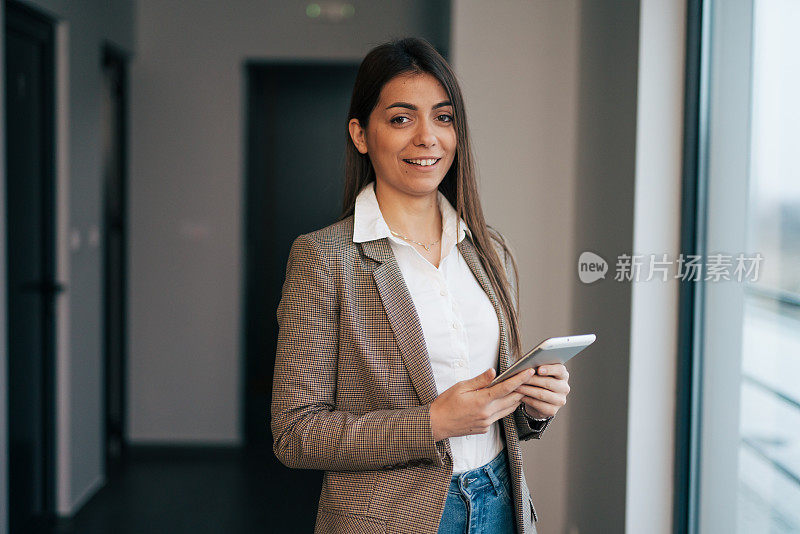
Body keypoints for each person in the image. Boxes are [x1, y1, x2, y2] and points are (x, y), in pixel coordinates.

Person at [271, 36, 571, 534]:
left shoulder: (488, 249)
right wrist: (432, 423)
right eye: (401, 118)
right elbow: (295, 434)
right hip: (388, 520)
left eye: (444, 117)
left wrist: (534, 405)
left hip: (499, 503)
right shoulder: (325, 258)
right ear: (361, 134)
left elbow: (495, 413)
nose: (428, 137)